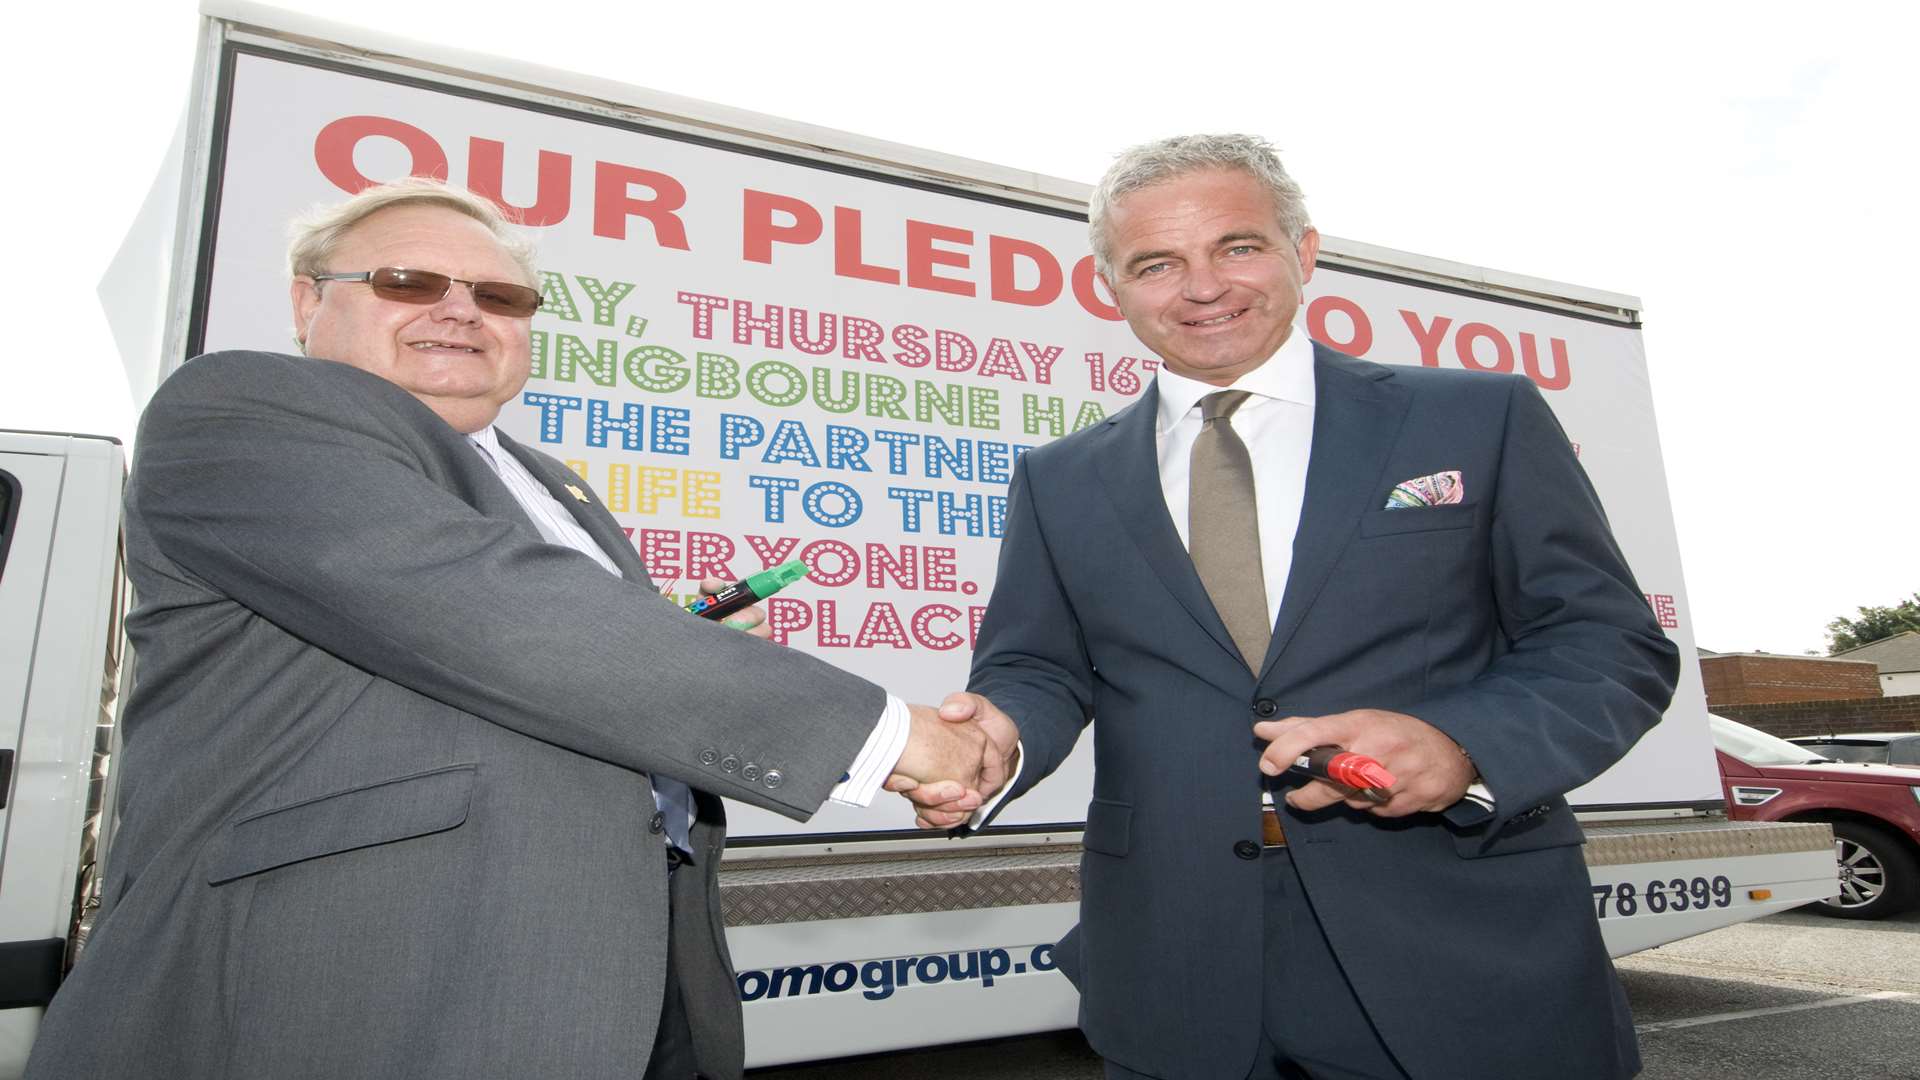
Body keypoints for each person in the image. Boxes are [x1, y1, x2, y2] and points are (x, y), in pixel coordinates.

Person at [26, 177, 999, 1080]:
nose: (460, 308)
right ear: (306, 302)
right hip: (354, 986)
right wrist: (887, 735)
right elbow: (473, 602)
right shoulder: (240, 404)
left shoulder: (553, 484)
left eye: (499, 297)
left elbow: (565, 658)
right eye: (410, 281)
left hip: (624, 974)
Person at [895, 135, 1680, 1079]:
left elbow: (1606, 643)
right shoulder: (1061, 479)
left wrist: (1463, 744)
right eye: (1156, 263)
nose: (1203, 286)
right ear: (1111, 286)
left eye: (1238, 246)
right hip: (1173, 965)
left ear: (1303, 252)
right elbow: (1038, 667)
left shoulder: (1478, 418)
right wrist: (999, 741)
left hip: (1459, 953)